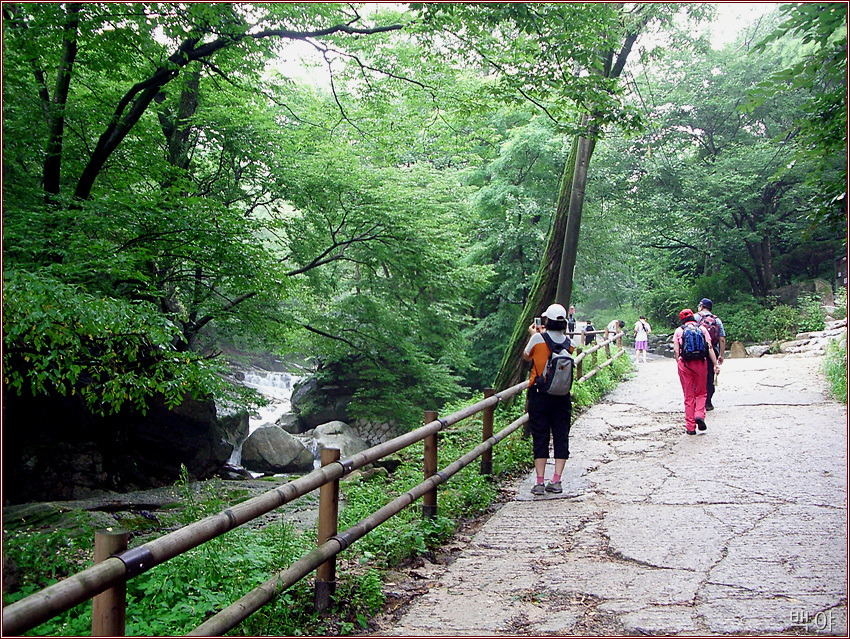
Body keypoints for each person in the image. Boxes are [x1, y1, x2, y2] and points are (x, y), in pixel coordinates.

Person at [522, 303, 574, 496]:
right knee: (561, 435)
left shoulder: (537, 338)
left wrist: (533, 334)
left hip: (539, 393)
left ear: (547, 320)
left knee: (541, 435)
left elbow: (527, 356)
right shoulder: (569, 342)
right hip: (562, 395)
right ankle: (557, 480)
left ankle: (539, 482)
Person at [673, 309, 720, 435]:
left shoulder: (679, 331)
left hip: (685, 364)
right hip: (701, 363)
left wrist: (679, 363)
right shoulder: (702, 329)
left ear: (681, 319)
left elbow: (677, 351)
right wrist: (715, 364)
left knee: (689, 396)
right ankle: (699, 415)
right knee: (701, 393)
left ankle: (690, 427)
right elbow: (710, 347)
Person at [695, 298, 726, 411]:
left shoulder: (696, 317)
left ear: (701, 306)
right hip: (712, 351)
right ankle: (708, 402)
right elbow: (722, 338)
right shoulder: (717, 320)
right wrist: (721, 355)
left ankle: (698, 402)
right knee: (710, 377)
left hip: (697, 352)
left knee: (697, 375)